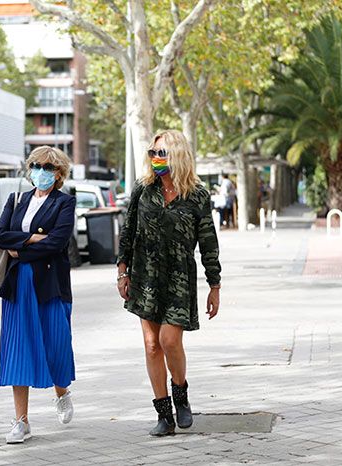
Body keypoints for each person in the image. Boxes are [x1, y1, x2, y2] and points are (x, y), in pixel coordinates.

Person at [117, 129, 221, 437]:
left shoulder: (198, 195)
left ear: (178, 155)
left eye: (162, 153)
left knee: (170, 341)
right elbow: (128, 229)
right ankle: (164, 414)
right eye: (153, 153)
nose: (156, 159)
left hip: (179, 277)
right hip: (144, 275)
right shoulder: (142, 190)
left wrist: (214, 285)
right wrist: (122, 271)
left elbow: (208, 242)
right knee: (151, 346)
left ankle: (181, 394)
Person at [0, 146, 76, 444]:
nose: (41, 171)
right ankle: (21, 421)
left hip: (50, 284)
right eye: (37, 166)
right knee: (19, 348)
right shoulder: (16, 200)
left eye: (48, 167)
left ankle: (61, 391)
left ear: (58, 173)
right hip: (19, 285)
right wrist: (33, 238)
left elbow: (57, 243)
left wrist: (21, 247)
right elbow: (0, 235)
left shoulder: (65, 203)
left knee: (56, 344)